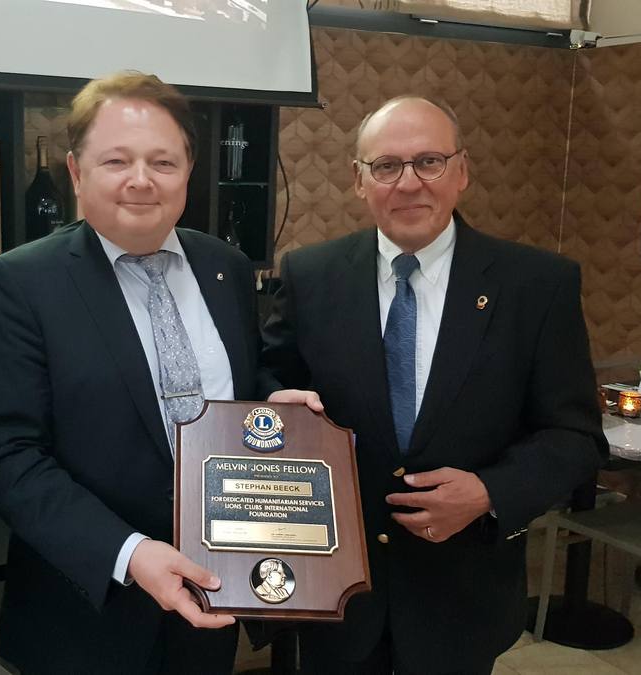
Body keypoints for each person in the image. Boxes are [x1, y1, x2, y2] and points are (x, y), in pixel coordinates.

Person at [259, 95, 607, 673]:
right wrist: (274, 405)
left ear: (462, 171)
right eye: (386, 166)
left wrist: (490, 492)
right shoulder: (310, 275)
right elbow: (271, 381)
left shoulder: (537, 285)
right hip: (335, 596)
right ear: (359, 180)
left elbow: (575, 436)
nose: (408, 183)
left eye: (429, 161)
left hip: (461, 600)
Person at [0, 71, 258, 675]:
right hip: (83, 617)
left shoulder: (227, 269)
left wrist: (282, 411)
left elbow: (243, 398)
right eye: (116, 160)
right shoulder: (24, 282)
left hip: (211, 601)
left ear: (189, 170)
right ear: (77, 173)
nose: (141, 180)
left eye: (163, 162)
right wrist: (129, 553)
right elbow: (7, 455)